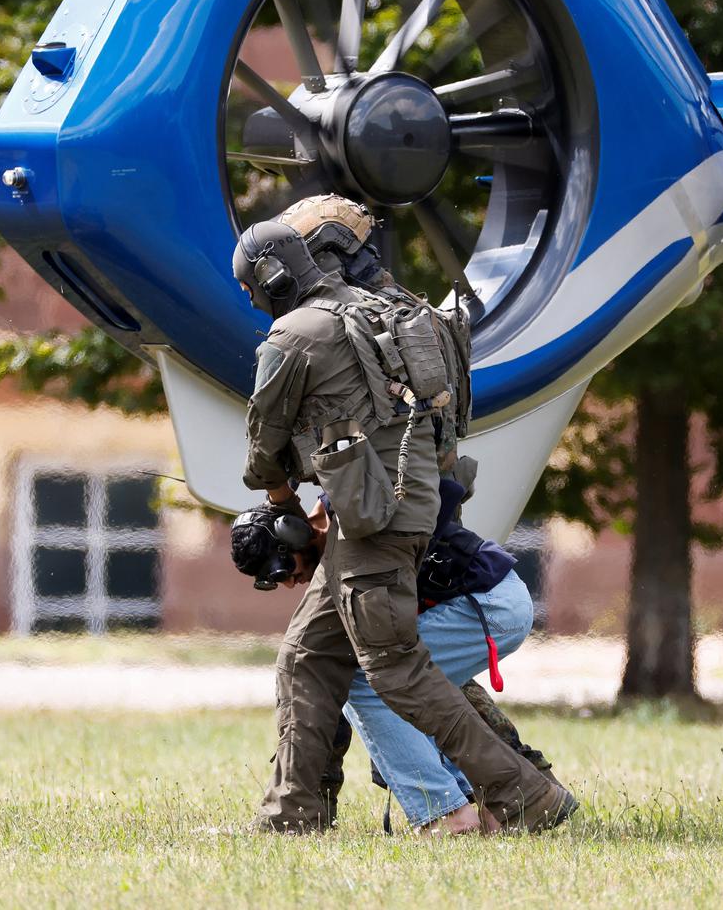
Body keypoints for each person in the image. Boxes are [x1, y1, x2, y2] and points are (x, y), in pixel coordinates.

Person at [232, 219, 575, 833]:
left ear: (272, 278)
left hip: (370, 521)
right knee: (306, 655)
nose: (251, 301)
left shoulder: (294, 334)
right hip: (406, 508)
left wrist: (284, 506)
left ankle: (524, 796)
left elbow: (263, 447)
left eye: (250, 288)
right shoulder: (382, 310)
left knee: (394, 668)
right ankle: (292, 815)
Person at [231, 481, 566, 835]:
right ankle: (493, 804)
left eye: (283, 568)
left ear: (297, 533)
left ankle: (446, 814)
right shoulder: (344, 524)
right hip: (493, 600)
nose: (288, 583)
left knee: (373, 681)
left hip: (488, 603)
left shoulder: (352, 518)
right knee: (408, 686)